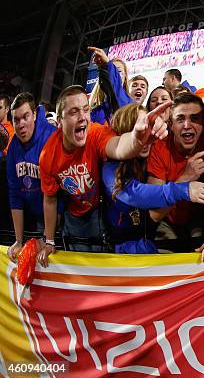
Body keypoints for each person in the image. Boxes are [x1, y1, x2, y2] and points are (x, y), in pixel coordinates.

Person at [37, 85, 169, 265]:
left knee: (101, 264)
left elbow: (119, 147)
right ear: (60, 120)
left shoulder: (96, 133)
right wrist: (49, 240)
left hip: (99, 211)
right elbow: (50, 199)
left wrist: (136, 140)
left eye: (85, 110)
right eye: (74, 112)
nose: (83, 117)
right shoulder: (47, 156)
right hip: (73, 214)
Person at [102, 104, 204, 252]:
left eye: (149, 127)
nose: (145, 135)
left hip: (148, 237)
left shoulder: (153, 153)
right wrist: (184, 188)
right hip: (121, 247)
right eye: (139, 129)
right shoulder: (110, 167)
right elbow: (136, 194)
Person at [147, 93, 204, 254]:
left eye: (195, 118)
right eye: (180, 119)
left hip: (200, 219)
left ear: (203, 123)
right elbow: (154, 214)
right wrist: (186, 178)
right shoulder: (159, 149)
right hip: (167, 220)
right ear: (171, 124)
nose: (187, 125)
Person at [6, 93, 57, 263]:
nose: (21, 124)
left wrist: (49, 238)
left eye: (25, 116)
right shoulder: (13, 146)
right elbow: (14, 194)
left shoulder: (51, 137)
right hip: (36, 215)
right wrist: (18, 240)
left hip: (60, 215)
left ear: (34, 115)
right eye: (16, 119)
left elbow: (58, 194)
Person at [87, 47, 132, 124]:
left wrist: (108, 64)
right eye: (113, 71)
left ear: (125, 79)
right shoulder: (92, 112)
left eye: (119, 71)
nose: (116, 74)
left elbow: (116, 91)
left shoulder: (130, 106)